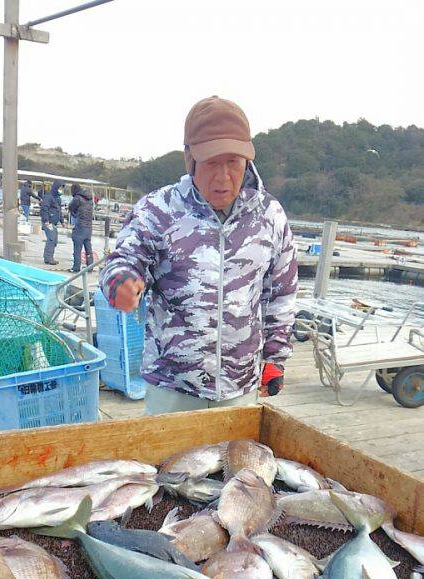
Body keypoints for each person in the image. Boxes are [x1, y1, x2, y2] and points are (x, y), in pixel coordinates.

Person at [100, 96, 297, 415]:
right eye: (210, 163)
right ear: (189, 159)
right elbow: (123, 260)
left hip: (239, 388)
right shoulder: (158, 210)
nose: (222, 178)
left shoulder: (270, 215)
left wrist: (275, 358)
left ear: (247, 159)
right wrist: (120, 282)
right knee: (167, 464)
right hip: (172, 387)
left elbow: (281, 293)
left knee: (233, 465)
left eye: (233, 162)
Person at [68, 183, 94, 273]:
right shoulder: (90, 199)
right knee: (88, 248)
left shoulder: (77, 198)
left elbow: (70, 207)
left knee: (77, 249)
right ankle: (90, 266)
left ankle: (76, 267)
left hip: (80, 226)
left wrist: (74, 214)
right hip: (89, 227)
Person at [40, 180, 64, 265]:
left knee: (54, 240)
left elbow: (59, 210)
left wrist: (62, 221)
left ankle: (48, 257)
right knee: (52, 239)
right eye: (60, 188)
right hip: (49, 222)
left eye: (62, 188)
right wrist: (46, 220)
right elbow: (44, 208)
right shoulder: (48, 197)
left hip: (53, 222)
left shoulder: (58, 198)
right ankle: (49, 258)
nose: (61, 190)